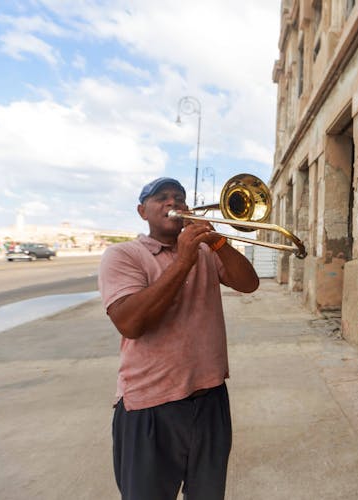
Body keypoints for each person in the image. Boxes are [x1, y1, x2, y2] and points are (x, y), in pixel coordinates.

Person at [98, 177, 259, 500]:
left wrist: (219, 244)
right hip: (149, 404)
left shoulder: (206, 252)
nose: (173, 203)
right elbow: (130, 323)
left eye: (180, 198)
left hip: (210, 398)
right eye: (162, 198)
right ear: (142, 211)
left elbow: (249, 283)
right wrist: (185, 259)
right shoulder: (122, 255)